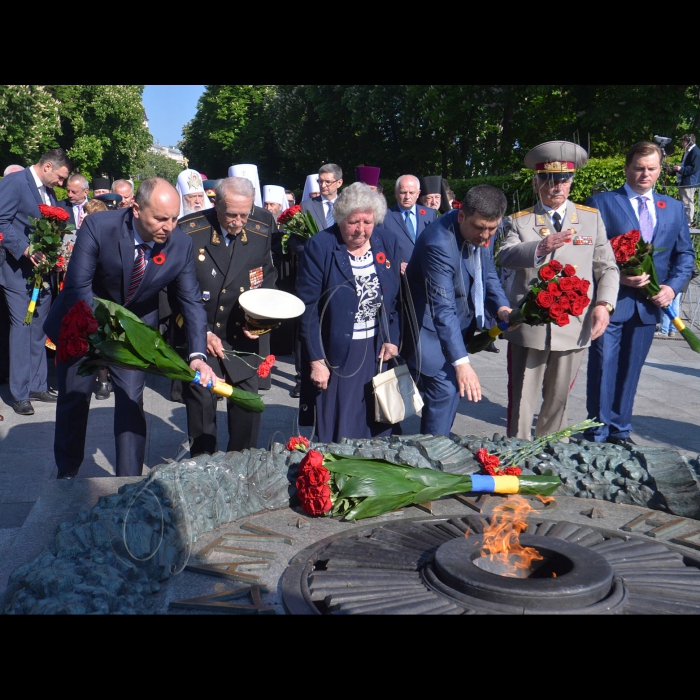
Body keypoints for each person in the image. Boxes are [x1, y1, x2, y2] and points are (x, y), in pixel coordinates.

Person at [44, 178, 218, 478]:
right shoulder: (100, 226)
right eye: (161, 218)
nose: (169, 226)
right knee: (74, 399)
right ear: (136, 209)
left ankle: (128, 482)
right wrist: (104, 332)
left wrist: (197, 355)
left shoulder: (181, 244)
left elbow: (190, 301)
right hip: (83, 320)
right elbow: (78, 286)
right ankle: (67, 475)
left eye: (174, 218)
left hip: (136, 329)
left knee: (131, 402)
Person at [498, 141, 620, 440]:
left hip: (572, 326)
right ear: (536, 182)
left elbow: (608, 268)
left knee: (558, 401)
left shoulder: (590, 219)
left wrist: (604, 304)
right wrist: (540, 247)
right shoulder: (520, 221)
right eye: (549, 181)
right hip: (529, 325)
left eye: (563, 180)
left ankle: (551, 453)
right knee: (522, 400)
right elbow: (504, 255)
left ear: (571, 182)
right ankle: (517, 453)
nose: (556, 187)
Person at [584, 141, 695, 447]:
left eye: (651, 168)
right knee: (603, 366)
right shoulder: (602, 203)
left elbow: (685, 255)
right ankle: (597, 430)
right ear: (627, 168)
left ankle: (620, 430)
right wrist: (616, 277)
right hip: (611, 302)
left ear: (660, 170)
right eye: (639, 167)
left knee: (631, 370)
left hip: (649, 307)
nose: (645, 174)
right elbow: (586, 252)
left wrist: (672, 287)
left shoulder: (672, 208)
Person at [176, 176, 277, 455]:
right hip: (202, 333)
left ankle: (240, 468)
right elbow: (173, 290)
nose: (238, 221)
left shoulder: (259, 233)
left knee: (247, 408)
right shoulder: (189, 232)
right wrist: (201, 332)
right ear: (216, 204)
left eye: (245, 214)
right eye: (231, 214)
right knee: (202, 405)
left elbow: (268, 281)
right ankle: (203, 467)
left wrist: (262, 322)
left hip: (241, 336)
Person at [296, 182, 402, 444]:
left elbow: (394, 300)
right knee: (337, 420)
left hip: (376, 350)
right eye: (354, 222)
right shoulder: (320, 246)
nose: (361, 230)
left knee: (377, 418)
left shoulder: (386, 242)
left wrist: (392, 338)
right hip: (337, 352)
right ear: (341, 218)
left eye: (368, 222)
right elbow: (307, 308)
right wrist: (317, 360)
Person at [405, 184, 512, 438]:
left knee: (451, 390)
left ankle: (437, 441)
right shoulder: (438, 243)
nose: (486, 236)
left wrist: (502, 307)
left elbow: (487, 272)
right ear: (462, 216)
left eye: (492, 229)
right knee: (446, 388)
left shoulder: (483, 227)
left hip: (458, 323)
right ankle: (433, 452)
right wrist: (462, 363)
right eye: (480, 228)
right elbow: (443, 308)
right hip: (427, 327)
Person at [0, 148, 71, 416]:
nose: (62, 184)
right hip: (17, 271)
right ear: (47, 166)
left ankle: (38, 384)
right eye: (61, 178)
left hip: (42, 273)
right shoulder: (15, 183)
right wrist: (26, 249)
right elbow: (1, 221)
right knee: (21, 328)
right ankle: (19, 393)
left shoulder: (49, 191)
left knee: (40, 327)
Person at [382, 174, 437, 270]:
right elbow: (379, 248)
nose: (407, 196)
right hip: (400, 278)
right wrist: (395, 264)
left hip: (425, 273)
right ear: (396, 193)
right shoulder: (385, 217)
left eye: (411, 192)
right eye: (403, 192)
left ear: (418, 193)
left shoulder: (429, 214)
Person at [301, 163, 344, 231]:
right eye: (320, 181)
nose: (323, 185)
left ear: (339, 183)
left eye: (328, 182)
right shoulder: (307, 206)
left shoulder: (346, 205)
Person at [670, 134, 700, 226]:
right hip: (683, 180)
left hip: (690, 182)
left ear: (689, 142)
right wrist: (673, 171)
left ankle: (688, 222)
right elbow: (684, 165)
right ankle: (684, 220)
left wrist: (680, 169)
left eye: (683, 142)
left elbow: (693, 168)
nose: (682, 144)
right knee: (683, 202)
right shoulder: (687, 151)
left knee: (687, 201)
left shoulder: (696, 152)